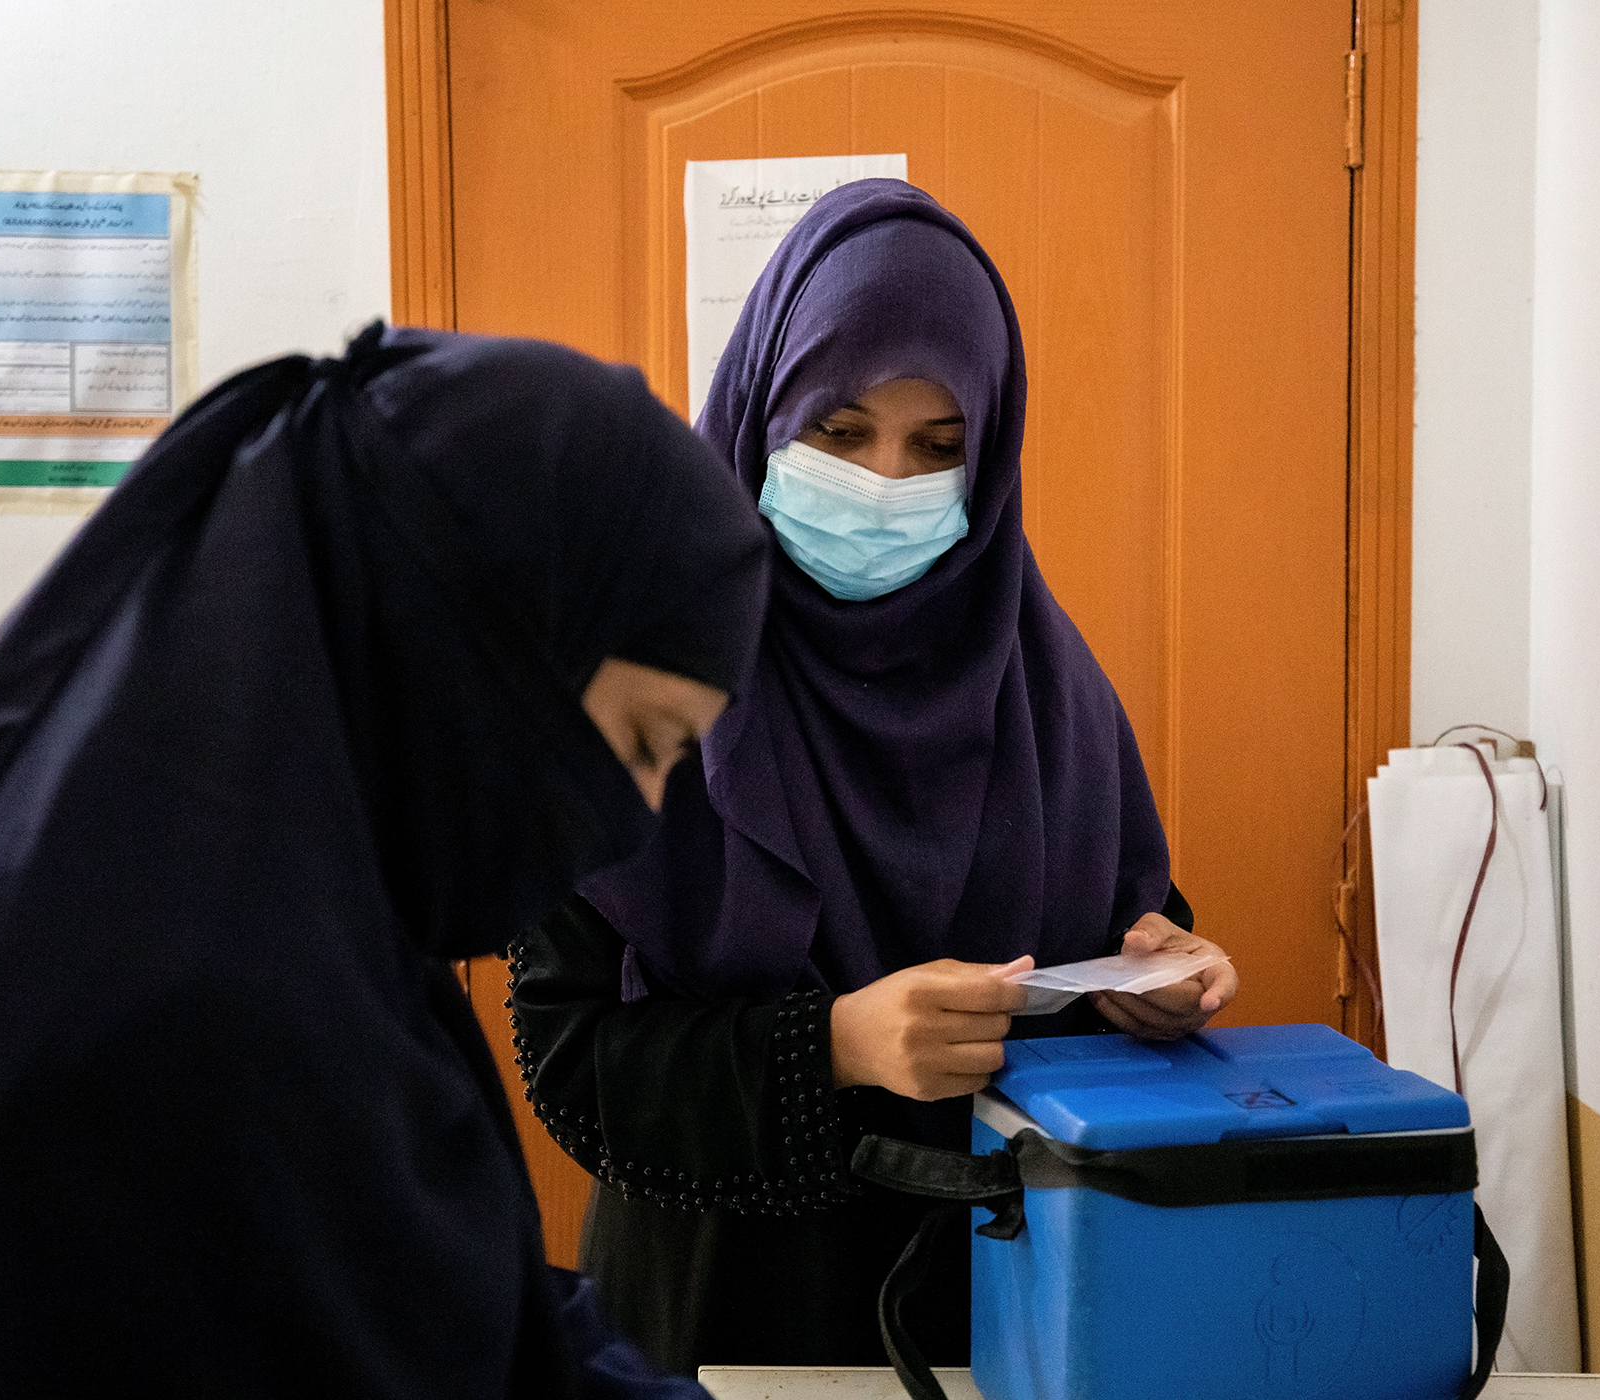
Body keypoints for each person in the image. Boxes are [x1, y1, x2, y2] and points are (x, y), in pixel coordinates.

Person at [0, 325, 769, 1398]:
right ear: (463, 657)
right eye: (643, 742)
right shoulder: (167, 1032)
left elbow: (454, 1298)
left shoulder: (279, 914)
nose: (638, 816)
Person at [511, 180, 1240, 1372]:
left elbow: (1122, 931)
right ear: (760, 415)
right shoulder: (633, 684)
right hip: (722, 1317)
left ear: (991, 459)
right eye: (839, 433)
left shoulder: (1047, 687)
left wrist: (1153, 982)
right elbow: (570, 1063)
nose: (885, 483)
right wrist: (831, 1045)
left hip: (1013, 1303)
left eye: (938, 447)